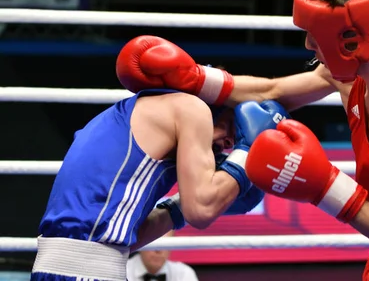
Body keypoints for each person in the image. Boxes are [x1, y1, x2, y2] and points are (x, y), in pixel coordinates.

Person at [117, 0, 369, 280]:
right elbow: (273, 91)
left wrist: (323, 185)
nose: (307, 44)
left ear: (350, 40)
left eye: (315, 34)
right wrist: (196, 79)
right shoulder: (349, 75)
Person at [30, 54, 290, 281]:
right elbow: (203, 210)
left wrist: (179, 207)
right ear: (212, 108)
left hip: (74, 267)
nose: (230, 142)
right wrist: (244, 156)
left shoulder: (128, 123)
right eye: (233, 125)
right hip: (84, 272)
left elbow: (124, 241)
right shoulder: (190, 108)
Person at [126, 230, 198, 281]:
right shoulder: (123, 271)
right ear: (140, 241)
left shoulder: (184, 273)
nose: (158, 250)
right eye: (153, 241)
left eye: (165, 243)